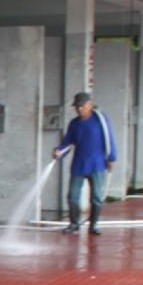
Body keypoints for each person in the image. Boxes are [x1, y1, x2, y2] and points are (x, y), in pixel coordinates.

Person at [51, 91, 116, 235]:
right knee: (72, 196)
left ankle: (94, 225)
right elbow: (67, 143)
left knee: (97, 197)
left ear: (90, 105)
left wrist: (112, 158)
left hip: (97, 164)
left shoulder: (101, 120)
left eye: (82, 106)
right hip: (79, 165)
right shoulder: (74, 124)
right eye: (77, 107)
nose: (79, 109)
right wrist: (58, 151)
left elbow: (109, 139)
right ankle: (74, 224)